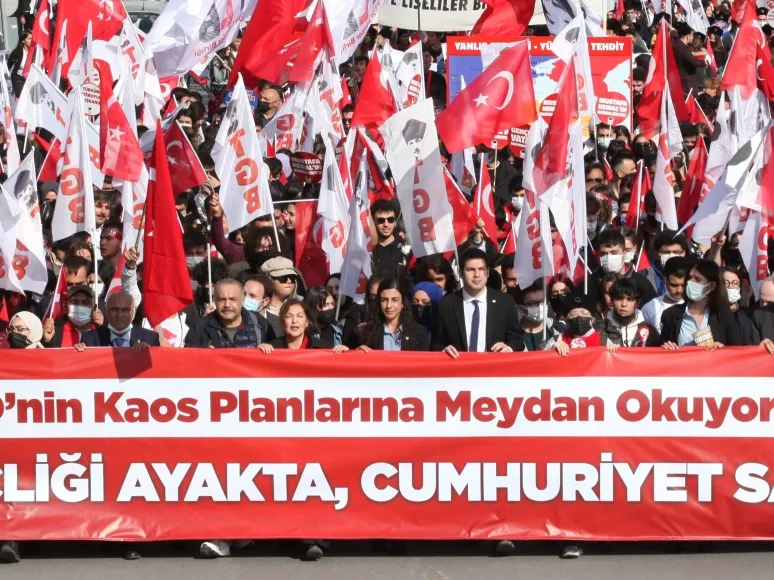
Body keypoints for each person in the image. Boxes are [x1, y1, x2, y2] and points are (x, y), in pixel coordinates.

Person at [433, 249, 524, 357]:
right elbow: (436, 343)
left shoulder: (505, 302)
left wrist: (508, 348)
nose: (476, 274)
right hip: (458, 365)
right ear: (461, 273)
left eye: (481, 269)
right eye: (470, 269)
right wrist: (443, 350)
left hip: (493, 365)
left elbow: (517, 340)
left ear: (488, 272)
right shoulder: (446, 304)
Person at [660, 260, 742, 350]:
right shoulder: (670, 314)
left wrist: (721, 348)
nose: (691, 282)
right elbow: (661, 348)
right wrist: (667, 346)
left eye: (698, 279)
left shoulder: (724, 315)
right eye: (690, 277)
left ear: (711, 286)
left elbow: (738, 350)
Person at [184, 279, 270, 348]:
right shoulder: (199, 327)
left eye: (233, 299)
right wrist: (203, 355)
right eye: (221, 299)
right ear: (214, 301)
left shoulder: (261, 323)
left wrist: (265, 350)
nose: (227, 305)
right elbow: (189, 359)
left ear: (242, 301)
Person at [358, 278, 430, 352]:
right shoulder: (366, 332)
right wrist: (358, 352)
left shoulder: (420, 333)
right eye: (384, 300)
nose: (389, 305)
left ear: (402, 303)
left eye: (395, 300)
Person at [74, 291, 160, 351]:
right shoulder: (90, 339)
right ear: (106, 312)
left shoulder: (150, 339)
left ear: (134, 313)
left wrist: (149, 353)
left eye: (125, 310)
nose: (119, 315)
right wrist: (79, 351)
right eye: (114, 310)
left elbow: (158, 368)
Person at [258, 299, 348, 353]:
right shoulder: (273, 348)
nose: (294, 321)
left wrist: (342, 352)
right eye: (289, 316)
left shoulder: (323, 348)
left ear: (307, 322)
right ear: (282, 322)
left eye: (299, 316)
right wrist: (259, 351)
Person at [595, 229, 656, 306]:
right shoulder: (590, 283)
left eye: (614, 253)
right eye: (604, 254)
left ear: (624, 254)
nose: (609, 257)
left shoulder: (641, 284)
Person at [600, 278, 661, 352]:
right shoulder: (599, 329)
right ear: (612, 301)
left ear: (638, 302)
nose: (624, 304)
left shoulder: (650, 332)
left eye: (629, 299)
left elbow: (660, 356)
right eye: (619, 299)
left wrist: (668, 348)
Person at [640, 257, 690, 333]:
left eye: (683, 285)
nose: (679, 290)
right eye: (674, 285)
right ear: (665, 280)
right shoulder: (650, 308)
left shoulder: (697, 307)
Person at [515, 280, 564, 352]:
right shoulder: (513, 337)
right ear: (520, 308)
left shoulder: (559, 328)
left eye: (542, 301)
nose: (540, 307)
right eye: (533, 303)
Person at [260, 257, 300, 336]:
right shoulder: (258, 307)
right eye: (283, 278)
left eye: (292, 278)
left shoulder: (301, 307)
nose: (289, 281)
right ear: (269, 280)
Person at [370, 198, 408, 277]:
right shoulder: (368, 252)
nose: (386, 224)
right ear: (374, 222)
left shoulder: (406, 249)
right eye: (381, 220)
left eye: (390, 219)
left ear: (395, 221)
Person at [722, 265, 754, 344]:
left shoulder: (747, 316)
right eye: (726, 282)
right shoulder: (711, 314)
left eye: (735, 283)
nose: (731, 286)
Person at [750, 278, 774, 353]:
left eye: (769, 302)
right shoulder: (759, 316)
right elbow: (752, 351)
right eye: (761, 301)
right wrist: (761, 348)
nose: (764, 305)